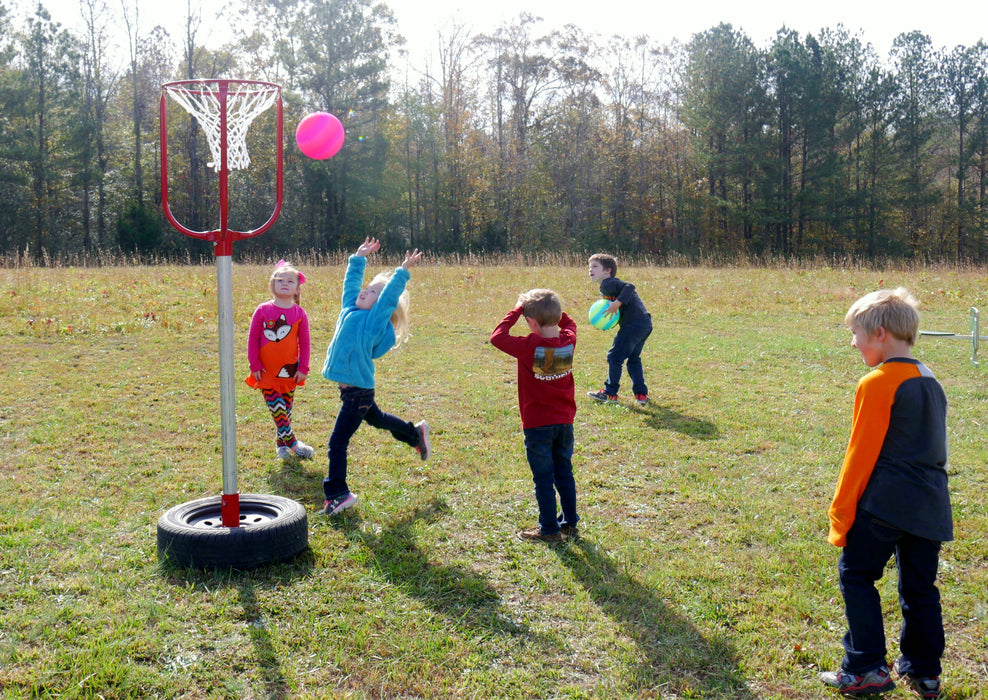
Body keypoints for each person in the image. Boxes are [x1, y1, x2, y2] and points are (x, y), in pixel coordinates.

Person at [820, 287, 952, 699]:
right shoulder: (930, 378)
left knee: (856, 575)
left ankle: (865, 667)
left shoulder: (877, 382)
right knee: (920, 587)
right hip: (930, 506)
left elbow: (859, 456)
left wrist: (841, 512)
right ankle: (924, 671)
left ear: (879, 334)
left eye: (856, 334)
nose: (853, 342)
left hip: (883, 505)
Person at [320, 237, 430, 516]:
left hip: (357, 392)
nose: (364, 292)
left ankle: (338, 494)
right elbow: (350, 284)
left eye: (371, 293)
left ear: (380, 306)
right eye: (367, 288)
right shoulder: (349, 309)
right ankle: (414, 433)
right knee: (378, 419)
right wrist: (358, 258)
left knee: (337, 442)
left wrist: (402, 270)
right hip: (355, 391)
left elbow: (389, 297)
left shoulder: (372, 322)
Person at [490, 288, 579, 542]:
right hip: (565, 422)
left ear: (530, 322)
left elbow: (497, 336)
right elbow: (569, 322)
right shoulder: (568, 339)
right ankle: (570, 523)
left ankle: (550, 529)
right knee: (564, 472)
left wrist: (518, 307)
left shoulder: (530, 345)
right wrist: (553, 311)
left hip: (538, 424)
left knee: (543, 477)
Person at [245, 260, 315, 460]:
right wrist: (254, 364)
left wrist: (304, 367)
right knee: (277, 408)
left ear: (296, 289)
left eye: (290, 281)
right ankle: (294, 445)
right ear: (272, 285)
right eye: (280, 280)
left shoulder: (300, 313)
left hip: (290, 371)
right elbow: (252, 339)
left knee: (285, 410)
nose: (285, 283)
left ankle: (280, 445)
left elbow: (306, 343)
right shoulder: (262, 310)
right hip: (266, 371)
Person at [586, 253, 653, 406]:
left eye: (595, 266)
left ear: (607, 270)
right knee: (633, 359)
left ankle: (610, 393)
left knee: (614, 357)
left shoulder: (608, 283)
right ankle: (641, 395)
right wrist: (607, 322)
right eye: (589, 267)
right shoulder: (608, 285)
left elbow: (630, 287)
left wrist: (616, 303)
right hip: (644, 323)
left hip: (633, 325)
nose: (591, 270)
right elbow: (620, 311)